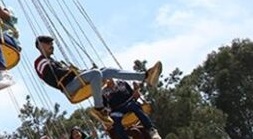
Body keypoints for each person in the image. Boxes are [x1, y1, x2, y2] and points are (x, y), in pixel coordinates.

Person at [33, 35, 162, 119]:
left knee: (108, 71)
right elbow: (52, 78)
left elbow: (67, 71)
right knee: (95, 73)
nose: (52, 46)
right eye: (48, 43)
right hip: (69, 87)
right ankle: (99, 108)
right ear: (40, 45)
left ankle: (145, 76)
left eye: (52, 43)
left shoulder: (56, 61)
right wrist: (71, 72)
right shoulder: (40, 62)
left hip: (76, 81)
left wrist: (80, 71)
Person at [102, 79, 170, 139]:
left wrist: (136, 91)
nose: (107, 80)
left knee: (141, 128)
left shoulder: (122, 83)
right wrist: (105, 116)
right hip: (118, 114)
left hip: (129, 105)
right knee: (135, 131)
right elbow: (105, 109)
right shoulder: (104, 92)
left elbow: (133, 95)